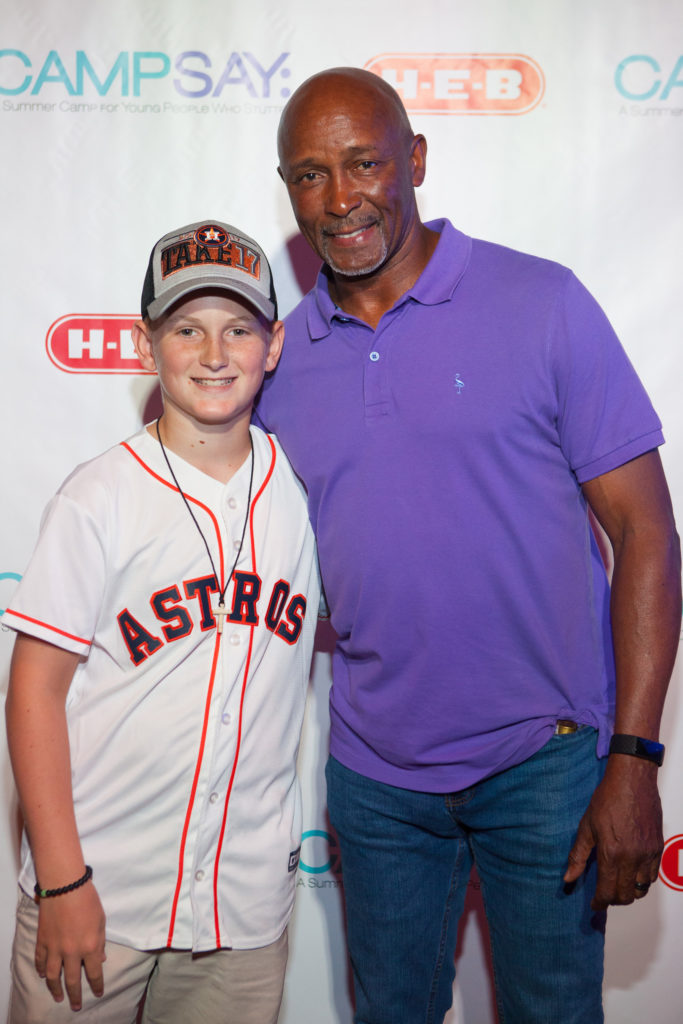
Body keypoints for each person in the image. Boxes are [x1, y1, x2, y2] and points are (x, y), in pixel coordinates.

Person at [254, 67, 682, 1023]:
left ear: (414, 160)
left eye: (364, 163)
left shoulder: (541, 302)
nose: (340, 197)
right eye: (310, 174)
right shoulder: (278, 360)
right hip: (374, 776)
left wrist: (634, 757)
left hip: (546, 764)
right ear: (288, 191)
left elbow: (645, 532)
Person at [4, 218, 320, 1023]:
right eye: (186, 329)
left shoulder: (303, 491)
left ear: (274, 346)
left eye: (238, 328)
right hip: (97, 894)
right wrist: (62, 880)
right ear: (148, 348)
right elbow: (34, 691)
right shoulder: (99, 495)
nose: (213, 353)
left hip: (243, 908)